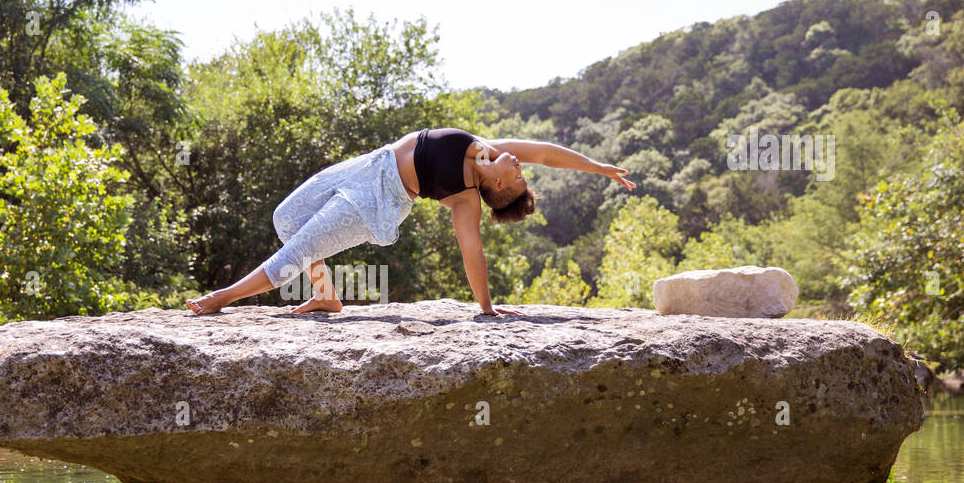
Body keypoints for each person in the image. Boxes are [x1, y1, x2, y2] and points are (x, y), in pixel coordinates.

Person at [185, 127, 636, 316]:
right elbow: (545, 152)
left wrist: (485, 308)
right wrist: (601, 168)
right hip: (367, 165)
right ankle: (326, 297)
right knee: (287, 218)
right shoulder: (483, 148)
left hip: (379, 198)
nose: (520, 164)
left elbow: (471, 252)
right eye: (521, 169)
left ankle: (222, 299)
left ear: (499, 190)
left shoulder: (466, 201)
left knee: (298, 249)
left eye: (517, 176)